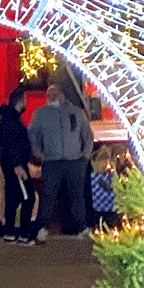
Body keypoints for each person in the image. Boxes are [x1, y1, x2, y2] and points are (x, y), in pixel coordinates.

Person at [29, 83, 95, 240]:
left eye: (55, 93)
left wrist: (84, 157)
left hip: (75, 162)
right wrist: (38, 153)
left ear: (63, 95)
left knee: (77, 196)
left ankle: (82, 227)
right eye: (49, 94)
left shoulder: (77, 113)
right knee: (48, 196)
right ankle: (43, 228)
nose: (52, 97)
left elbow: (87, 136)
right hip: (51, 161)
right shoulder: (40, 114)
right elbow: (32, 134)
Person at [0, 98, 37, 244]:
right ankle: (23, 233)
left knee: (13, 197)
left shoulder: (7, 120)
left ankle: (10, 231)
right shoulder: (11, 122)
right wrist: (18, 164)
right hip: (16, 165)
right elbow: (12, 145)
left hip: (12, 163)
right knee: (27, 196)